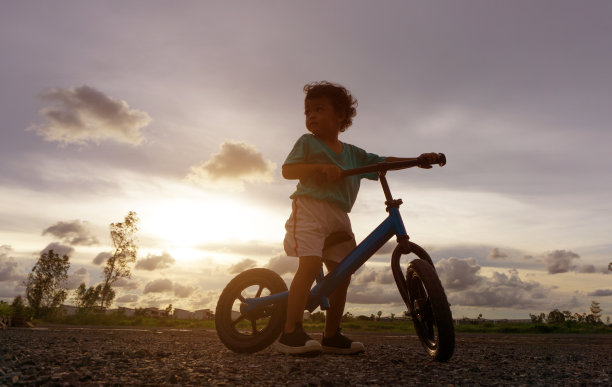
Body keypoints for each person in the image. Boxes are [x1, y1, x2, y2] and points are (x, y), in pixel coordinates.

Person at [276, 81, 440, 355]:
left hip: (339, 216)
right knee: (310, 264)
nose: (311, 116)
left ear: (341, 115)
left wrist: (416, 159)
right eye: (307, 111)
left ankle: (331, 335)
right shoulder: (307, 142)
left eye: (318, 109)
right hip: (310, 209)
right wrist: (319, 168)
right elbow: (288, 170)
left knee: (342, 274)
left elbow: (382, 162)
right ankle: (290, 331)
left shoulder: (353, 154)